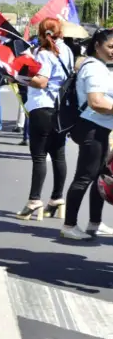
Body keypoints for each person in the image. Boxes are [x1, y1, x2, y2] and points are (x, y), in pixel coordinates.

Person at [16, 18, 74, 221]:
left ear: (41, 33)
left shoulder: (44, 53)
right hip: (61, 108)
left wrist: (19, 77)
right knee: (59, 155)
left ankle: (34, 200)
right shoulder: (66, 50)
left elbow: (41, 82)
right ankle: (57, 198)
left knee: (39, 156)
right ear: (60, 32)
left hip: (42, 107)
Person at [60, 28, 113, 239]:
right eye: (110, 46)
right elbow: (96, 102)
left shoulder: (100, 66)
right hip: (92, 127)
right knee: (84, 177)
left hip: (99, 128)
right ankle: (69, 225)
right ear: (97, 46)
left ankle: (95, 223)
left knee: (101, 175)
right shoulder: (94, 68)